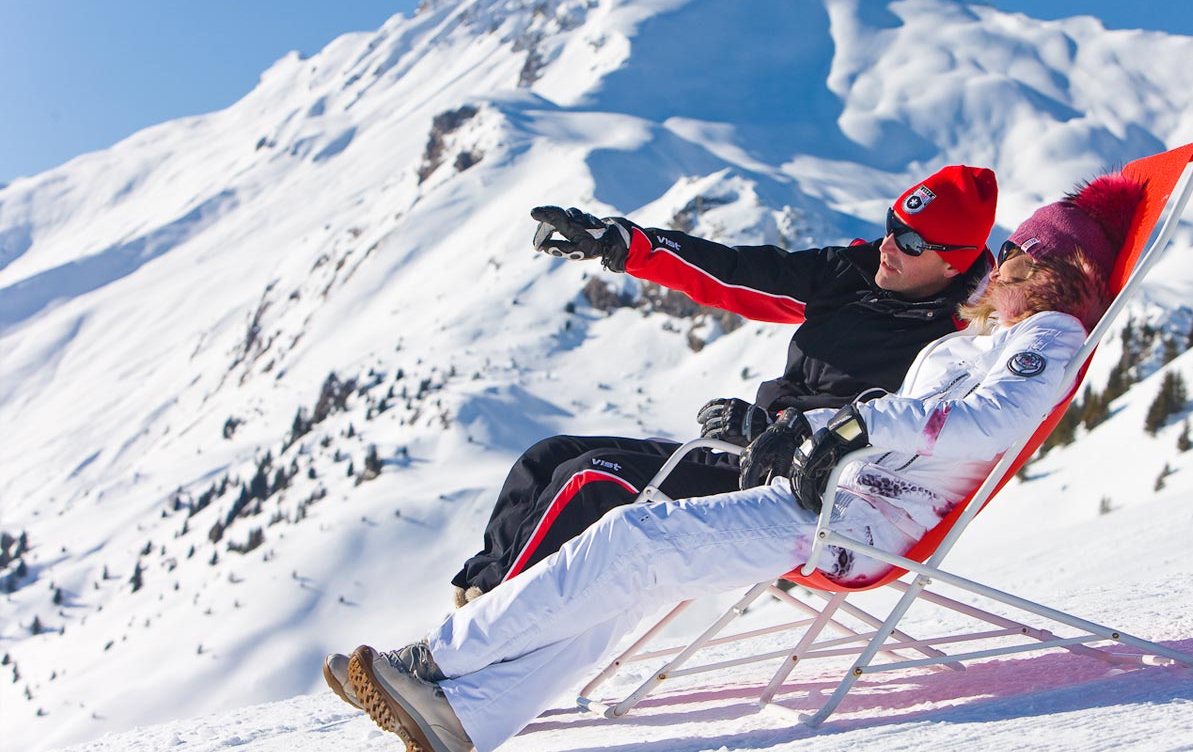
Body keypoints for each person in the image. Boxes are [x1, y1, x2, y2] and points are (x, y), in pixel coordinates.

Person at [336, 172, 1147, 752]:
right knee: (632, 559)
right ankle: (470, 715)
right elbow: (754, 274)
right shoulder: (979, 328)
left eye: (1015, 261)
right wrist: (632, 247)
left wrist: (850, 427)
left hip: (845, 511)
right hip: (823, 483)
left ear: (1039, 272)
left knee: (631, 539)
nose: (888, 251)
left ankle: (437, 660)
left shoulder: (1040, 336)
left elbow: (983, 418)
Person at [449, 165, 999, 600]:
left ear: (957, 263)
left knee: (595, 480)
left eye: (910, 242)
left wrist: (787, 430)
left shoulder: (956, 342)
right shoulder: (856, 276)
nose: (888, 245)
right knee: (546, 458)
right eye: (890, 226)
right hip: (750, 453)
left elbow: (898, 436)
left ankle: (469, 646)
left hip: (802, 493)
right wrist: (624, 244)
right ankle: (479, 600)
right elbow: (742, 273)